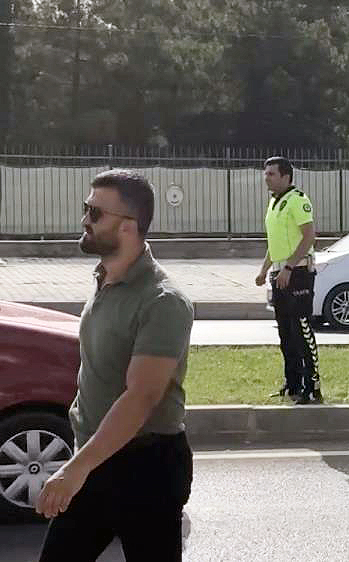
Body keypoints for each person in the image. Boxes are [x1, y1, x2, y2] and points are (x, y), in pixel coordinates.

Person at [37, 170, 194, 561]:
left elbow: (141, 398)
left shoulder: (162, 301)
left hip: (147, 469)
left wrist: (74, 470)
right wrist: (82, 464)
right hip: (95, 458)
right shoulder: (105, 278)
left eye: (94, 212)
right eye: (85, 209)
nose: (84, 220)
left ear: (127, 227)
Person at [254, 156, 322, 405]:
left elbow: (308, 237)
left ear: (286, 176)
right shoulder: (274, 204)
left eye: (271, 174)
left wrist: (290, 268)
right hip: (280, 273)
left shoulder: (298, 201)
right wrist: (265, 271)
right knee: (285, 333)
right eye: (266, 173)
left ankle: (312, 386)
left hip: (299, 273)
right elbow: (275, 244)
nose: (266, 178)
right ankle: (292, 384)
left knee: (301, 329)